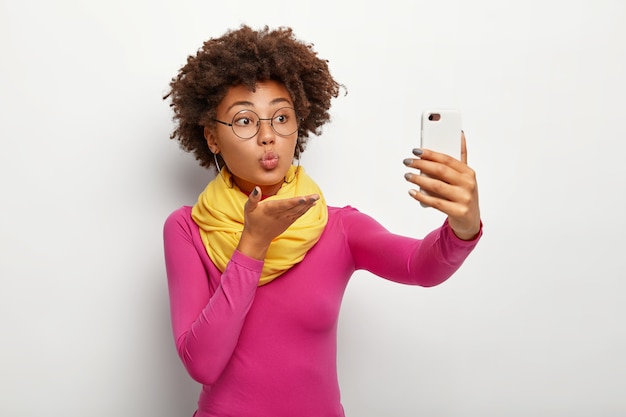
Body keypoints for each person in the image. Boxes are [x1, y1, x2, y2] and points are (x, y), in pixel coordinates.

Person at [162, 25, 482, 417]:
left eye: (281, 117)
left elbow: (420, 266)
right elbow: (202, 364)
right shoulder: (187, 229)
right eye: (245, 121)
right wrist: (252, 245)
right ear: (212, 137)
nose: (268, 136)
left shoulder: (340, 228)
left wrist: (463, 226)